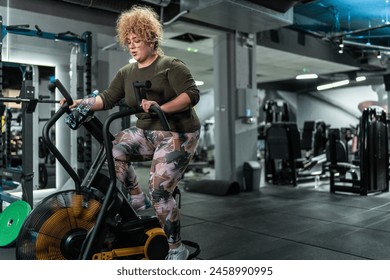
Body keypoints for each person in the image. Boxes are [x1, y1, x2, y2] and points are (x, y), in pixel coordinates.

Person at [62, 5, 201, 260]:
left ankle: (176, 248)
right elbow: (106, 98)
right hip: (147, 131)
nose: (132, 46)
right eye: (129, 42)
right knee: (113, 149)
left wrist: (162, 107)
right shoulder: (127, 72)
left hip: (178, 133)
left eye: (136, 41)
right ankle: (137, 199)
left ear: (150, 38)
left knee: (159, 191)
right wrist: (78, 103)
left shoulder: (171, 66)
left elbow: (192, 95)